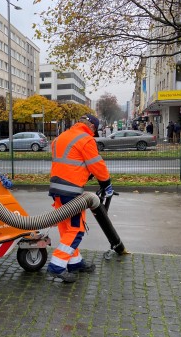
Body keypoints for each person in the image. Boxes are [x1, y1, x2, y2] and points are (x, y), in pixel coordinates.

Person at [47, 114, 113, 283]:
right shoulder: (85, 139)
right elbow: (97, 165)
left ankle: (75, 263)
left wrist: (84, 173)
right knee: (75, 230)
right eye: (95, 131)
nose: (94, 134)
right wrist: (106, 184)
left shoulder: (61, 137)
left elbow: (70, 163)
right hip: (71, 192)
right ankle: (57, 266)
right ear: (91, 127)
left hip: (57, 189)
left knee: (65, 228)